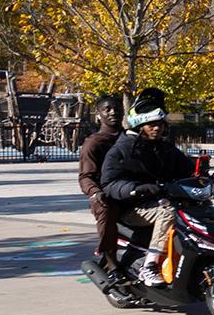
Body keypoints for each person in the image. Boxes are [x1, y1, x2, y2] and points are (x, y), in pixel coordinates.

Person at [100, 89, 199, 286]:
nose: (157, 128)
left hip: (162, 200)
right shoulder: (123, 149)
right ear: (140, 126)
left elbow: (187, 169)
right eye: (151, 124)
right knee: (168, 212)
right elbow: (109, 183)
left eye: (160, 124)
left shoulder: (165, 147)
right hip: (133, 208)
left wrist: (209, 178)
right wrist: (135, 188)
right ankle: (150, 266)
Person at [76, 95, 125, 273]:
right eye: (107, 109)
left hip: (132, 191)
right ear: (98, 115)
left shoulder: (131, 139)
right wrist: (95, 192)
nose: (113, 112)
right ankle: (110, 260)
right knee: (106, 208)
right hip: (108, 195)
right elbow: (85, 176)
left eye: (117, 108)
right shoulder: (94, 143)